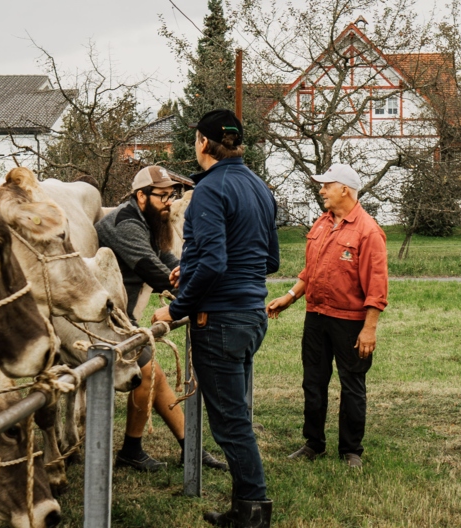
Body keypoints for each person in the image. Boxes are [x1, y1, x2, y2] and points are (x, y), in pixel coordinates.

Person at [152, 109, 279, 528]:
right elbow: (270, 260)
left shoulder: (209, 190)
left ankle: (253, 510)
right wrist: (190, 266)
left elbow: (213, 264)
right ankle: (247, 506)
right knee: (235, 415)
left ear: (203, 143)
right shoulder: (260, 188)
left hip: (220, 319)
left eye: (194, 140)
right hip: (251, 315)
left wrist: (174, 309)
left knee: (229, 424)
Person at [95, 165, 228, 472]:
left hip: (119, 316)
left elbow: (167, 259)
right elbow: (153, 270)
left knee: (154, 377)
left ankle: (187, 447)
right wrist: (195, 294)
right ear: (141, 196)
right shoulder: (125, 224)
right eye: (163, 196)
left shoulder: (147, 220)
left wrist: (192, 278)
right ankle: (143, 449)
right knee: (149, 375)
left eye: (172, 195)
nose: (169, 202)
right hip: (101, 319)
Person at [266, 163, 388, 469]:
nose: (321, 191)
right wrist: (290, 297)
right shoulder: (321, 224)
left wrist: (369, 329)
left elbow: (376, 287)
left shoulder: (368, 231)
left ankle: (351, 450)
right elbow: (312, 272)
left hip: (350, 322)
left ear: (344, 190)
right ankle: (313, 443)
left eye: (327, 186)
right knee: (313, 382)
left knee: (352, 384)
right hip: (316, 316)